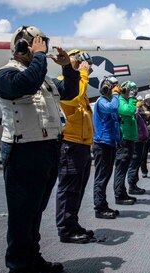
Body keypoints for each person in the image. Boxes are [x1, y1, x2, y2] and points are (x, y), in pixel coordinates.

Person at [0, 25, 79, 273]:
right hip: (22, 150)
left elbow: (70, 92)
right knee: (22, 211)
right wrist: (40, 56)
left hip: (47, 148)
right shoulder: (5, 75)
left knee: (36, 209)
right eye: (33, 44)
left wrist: (66, 67)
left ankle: (33, 257)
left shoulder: (43, 78)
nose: (39, 49)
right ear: (20, 46)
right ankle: (18, 266)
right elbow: (26, 85)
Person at [56, 49, 95, 244]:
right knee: (69, 189)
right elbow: (72, 98)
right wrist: (83, 74)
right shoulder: (66, 84)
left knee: (78, 188)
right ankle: (66, 229)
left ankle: (73, 224)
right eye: (82, 63)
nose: (85, 67)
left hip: (82, 145)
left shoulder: (81, 87)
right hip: (70, 144)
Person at [92, 76, 122, 219]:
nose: (117, 89)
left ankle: (103, 205)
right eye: (114, 87)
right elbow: (113, 107)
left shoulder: (110, 101)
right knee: (101, 177)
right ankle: (99, 208)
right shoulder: (102, 102)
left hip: (109, 143)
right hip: (102, 144)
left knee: (106, 176)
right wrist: (116, 94)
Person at [114, 80, 138, 205]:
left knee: (124, 168)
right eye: (130, 90)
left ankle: (122, 193)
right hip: (124, 139)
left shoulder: (126, 101)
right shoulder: (120, 101)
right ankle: (119, 195)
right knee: (121, 168)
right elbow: (129, 111)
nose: (132, 93)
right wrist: (133, 99)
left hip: (129, 138)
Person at [127, 95, 149, 195]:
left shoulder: (138, 111)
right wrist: (136, 106)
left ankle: (134, 184)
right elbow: (133, 113)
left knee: (136, 163)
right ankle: (131, 185)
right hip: (136, 140)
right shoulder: (131, 109)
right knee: (134, 163)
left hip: (140, 140)